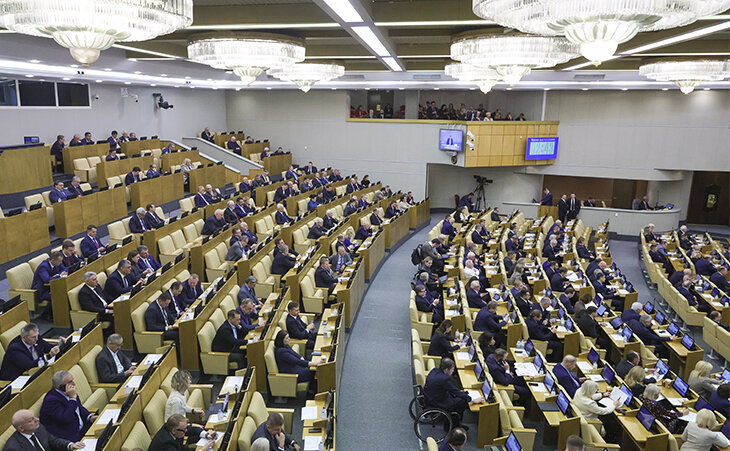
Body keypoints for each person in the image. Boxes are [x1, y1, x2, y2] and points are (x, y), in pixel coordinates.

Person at [423, 359, 483, 428]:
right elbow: (454, 391)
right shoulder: (444, 379)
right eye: (452, 369)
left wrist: (458, 392)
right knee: (462, 402)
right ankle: (454, 426)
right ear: (446, 370)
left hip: (430, 396)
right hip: (437, 401)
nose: (453, 371)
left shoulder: (434, 370)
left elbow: (450, 389)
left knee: (459, 396)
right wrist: (473, 400)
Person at [40, 370, 95, 441]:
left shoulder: (69, 391)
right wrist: (72, 399)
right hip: (70, 437)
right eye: (70, 382)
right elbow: (65, 418)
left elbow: (78, 408)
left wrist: (90, 417)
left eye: (72, 380)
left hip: (82, 428)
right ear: (60, 386)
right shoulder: (51, 401)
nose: (74, 383)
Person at [4, 409, 84, 451]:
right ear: (21, 428)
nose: (37, 420)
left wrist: (70, 445)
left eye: (35, 417)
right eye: (31, 420)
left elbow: (53, 441)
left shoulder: (39, 428)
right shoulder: (13, 448)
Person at [150, 414, 216, 450]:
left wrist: (207, 434)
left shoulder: (175, 428)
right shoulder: (166, 444)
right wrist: (203, 449)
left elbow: (192, 429)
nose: (186, 430)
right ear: (174, 431)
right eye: (184, 429)